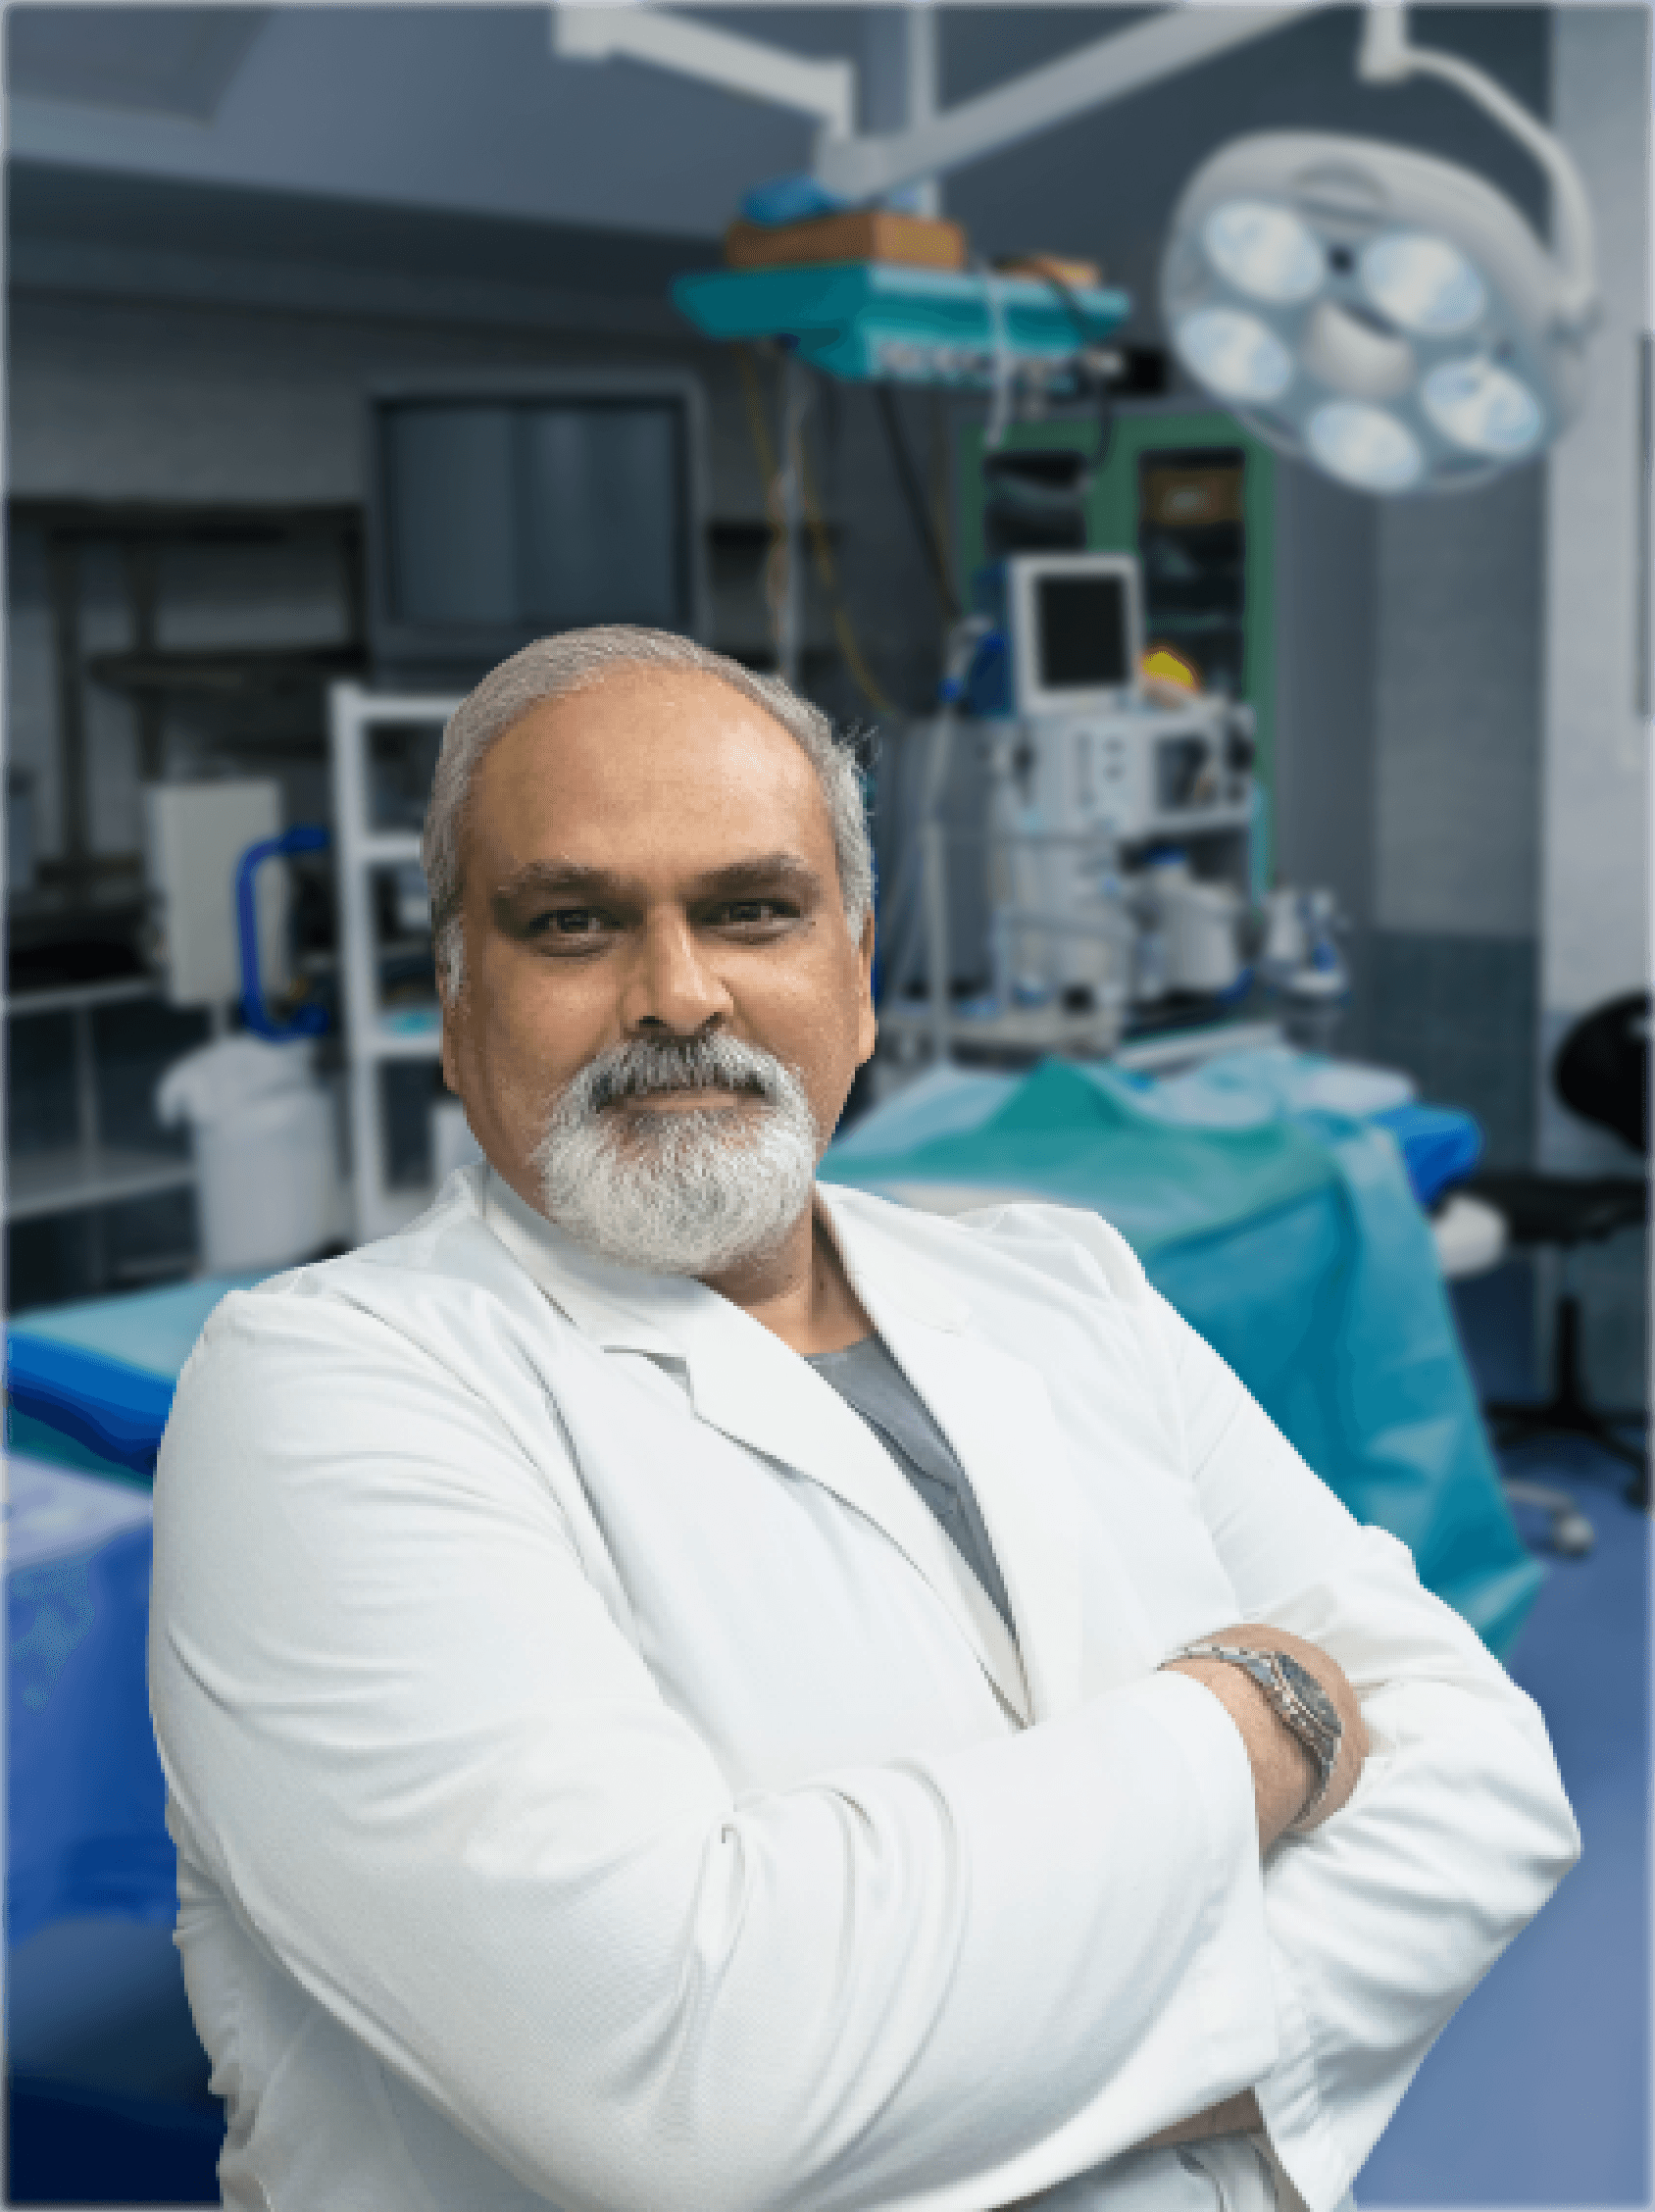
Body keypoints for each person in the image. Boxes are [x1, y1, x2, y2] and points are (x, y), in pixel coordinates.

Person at [150, 627, 1580, 2212]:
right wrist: (1256, 1727)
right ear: (453, 994)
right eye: (572, 924)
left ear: (861, 967)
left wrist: (945, 2077)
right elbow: (687, 2091)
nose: (678, 993)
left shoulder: (1066, 1288)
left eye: (755, 910)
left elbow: (1489, 1782)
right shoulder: (320, 1394)